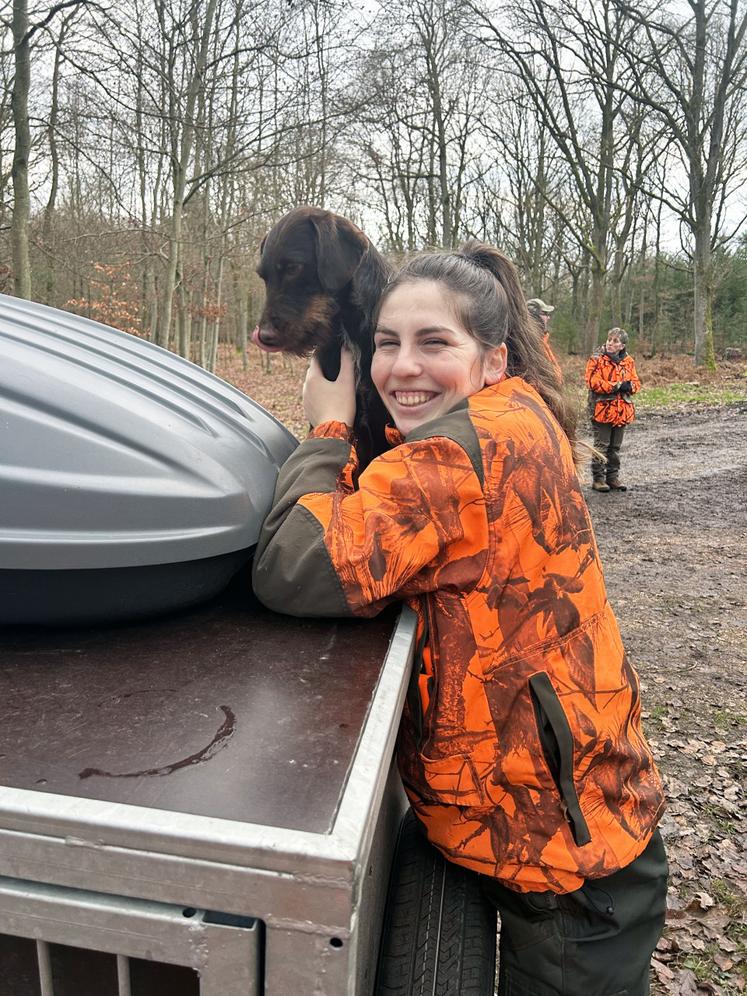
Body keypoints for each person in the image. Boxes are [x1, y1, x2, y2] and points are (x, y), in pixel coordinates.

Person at [252, 243, 667, 996]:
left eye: (433, 342)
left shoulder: (453, 453)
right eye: (385, 343)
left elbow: (295, 566)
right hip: (569, 801)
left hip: (562, 846)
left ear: (492, 358)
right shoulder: (514, 412)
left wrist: (328, 428)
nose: (403, 366)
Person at [585, 327, 641, 492]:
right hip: (601, 409)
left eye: (615, 341)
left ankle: (613, 477)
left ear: (622, 345)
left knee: (615, 447)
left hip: (622, 410)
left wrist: (629, 386)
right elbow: (592, 382)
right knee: (601, 445)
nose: (610, 343)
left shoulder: (629, 361)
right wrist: (615, 386)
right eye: (609, 340)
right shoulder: (596, 359)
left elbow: (636, 383)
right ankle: (598, 479)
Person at [527, 296, 562, 381]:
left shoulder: (542, 340)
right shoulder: (530, 342)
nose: (548, 317)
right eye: (545, 313)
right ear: (535, 316)